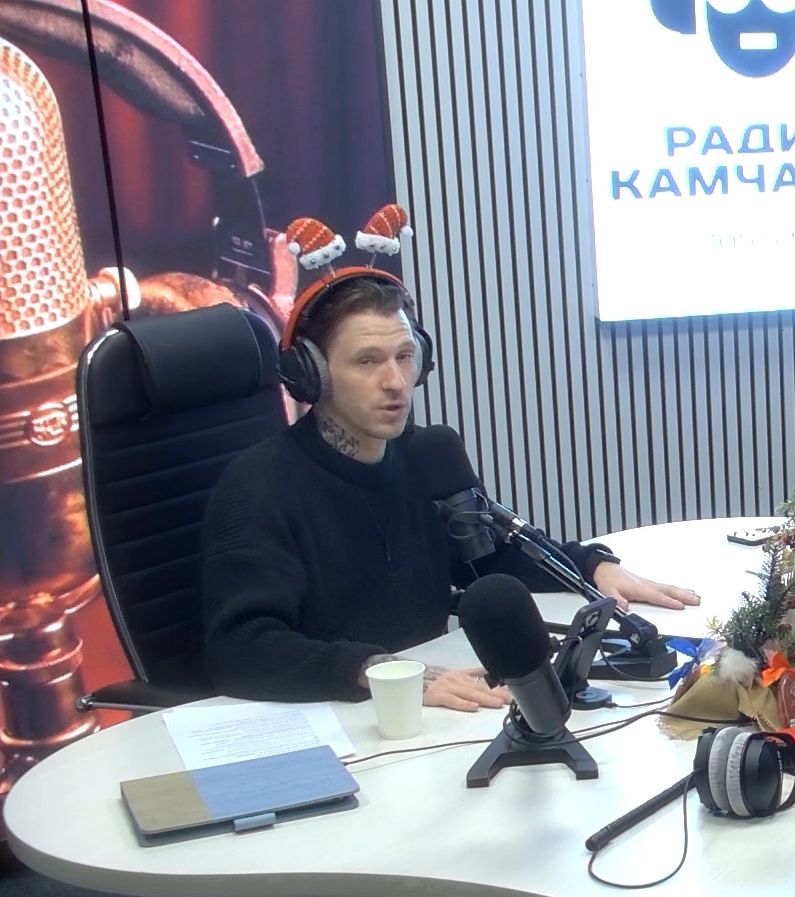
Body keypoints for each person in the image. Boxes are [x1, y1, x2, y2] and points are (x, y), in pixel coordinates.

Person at [201, 269, 699, 709]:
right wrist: (381, 673)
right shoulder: (259, 487)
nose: (396, 382)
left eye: (405, 356)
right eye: (367, 361)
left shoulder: (425, 457)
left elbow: (491, 559)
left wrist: (591, 566)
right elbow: (242, 649)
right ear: (310, 375)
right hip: (340, 720)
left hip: (433, 708)